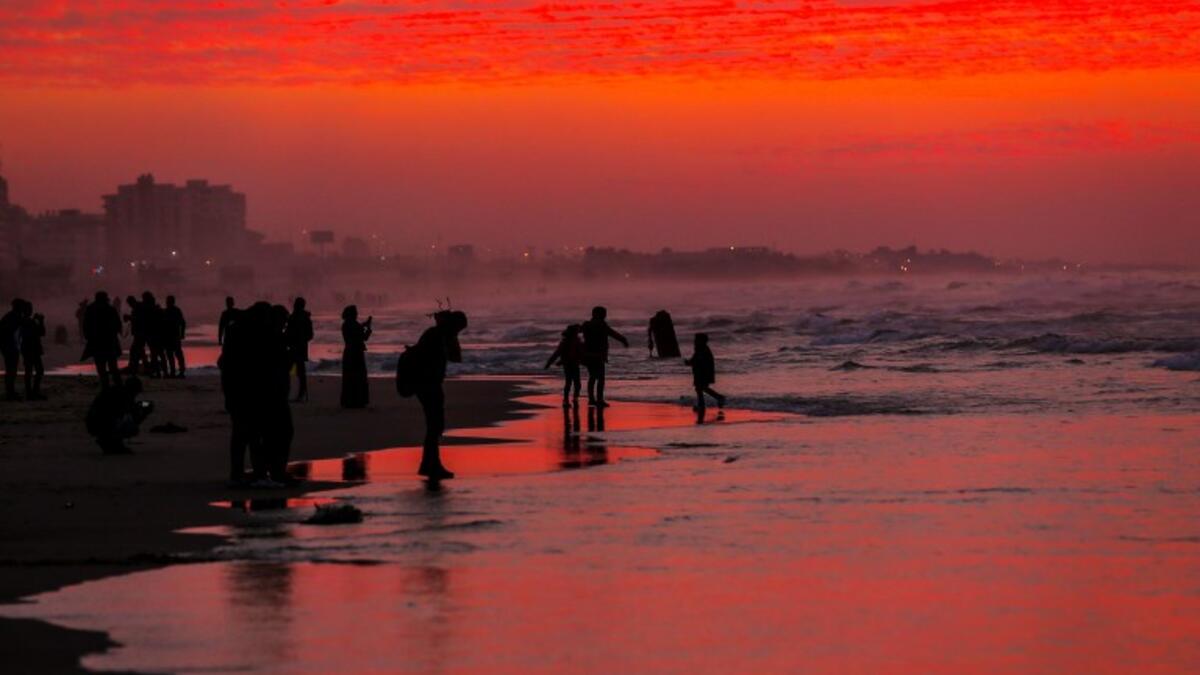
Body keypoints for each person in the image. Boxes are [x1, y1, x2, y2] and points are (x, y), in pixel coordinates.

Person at [412, 310, 468, 480]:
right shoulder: (439, 336)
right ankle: (431, 465)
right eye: (458, 329)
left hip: (427, 384)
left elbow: (455, 357)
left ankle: (429, 464)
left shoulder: (436, 334)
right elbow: (456, 356)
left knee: (434, 425)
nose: (458, 332)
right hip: (428, 384)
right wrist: (452, 337)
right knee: (435, 425)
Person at [85, 376, 151, 454]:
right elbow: (127, 411)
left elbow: (131, 407)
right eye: (137, 391)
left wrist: (140, 405)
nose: (136, 394)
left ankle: (111, 441)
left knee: (123, 419)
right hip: (102, 424)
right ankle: (111, 441)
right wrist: (144, 409)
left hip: (94, 423)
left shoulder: (117, 391)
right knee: (129, 423)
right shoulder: (124, 395)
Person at [580, 306, 628, 407]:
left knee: (592, 377)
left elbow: (575, 331)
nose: (605, 315)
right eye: (604, 313)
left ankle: (592, 399)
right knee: (600, 378)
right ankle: (600, 400)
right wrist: (623, 340)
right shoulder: (601, 325)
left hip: (587, 354)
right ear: (599, 314)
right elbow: (613, 334)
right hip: (598, 355)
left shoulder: (586, 325)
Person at [82, 291, 123, 389]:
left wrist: (88, 336)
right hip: (109, 342)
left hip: (97, 342)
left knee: (101, 367)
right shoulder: (110, 309)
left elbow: (86, 325)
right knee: (113, 367)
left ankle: (105, 387)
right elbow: (118, 324)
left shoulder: (90, 309)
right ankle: (118, 386)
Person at [685, 333, 726, 414]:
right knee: (700, 389)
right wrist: (690, 362)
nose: (694, 341)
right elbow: (696, 359)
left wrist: (689, 362)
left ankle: (718, 398)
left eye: (696, 340)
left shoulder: (702, 349)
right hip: (702, 372)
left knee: (701, 388)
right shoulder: (702, 348)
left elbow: (697, 359)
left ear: (701, 341)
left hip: (703, 372)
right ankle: (703, 404)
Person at [340, 305, 372, 408]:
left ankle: (349, 401)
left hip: (349, 353)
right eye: (355, 313)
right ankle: (358, 401)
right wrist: (368, 328)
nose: (357, 314)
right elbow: (364, 337)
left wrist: (364, 326)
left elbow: (357, 331)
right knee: (359, 377)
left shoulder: (346, 324)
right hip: (356, 354)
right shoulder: (354, 325)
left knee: (349, 378)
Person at [544, 323, 584, 407]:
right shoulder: (566, 342)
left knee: (576, 383)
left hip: (574, 364)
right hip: (569, 365)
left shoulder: (577, 341)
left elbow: (581, 353)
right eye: (577, 331)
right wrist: (549, 363)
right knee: (570, 382)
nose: (578, 332)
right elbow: (557, 353)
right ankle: (567, 399)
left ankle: (574, 398)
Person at [285, 297, 314, 402]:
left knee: (289, 370)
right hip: (299, 348)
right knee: (299, 372)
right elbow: (310, 335)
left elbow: (288, 333)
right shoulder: (304, 318)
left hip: (295, 348)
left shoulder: (294, 317)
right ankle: (300, 393)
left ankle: (295, 393)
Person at [19, 300, 46, 400]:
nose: (31, 310)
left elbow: (41, 333)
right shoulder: (26, 321)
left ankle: (31, 392)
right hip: (31, 349)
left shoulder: (26, 321)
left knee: (32, 371)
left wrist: (39, 321)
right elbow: (39, 333)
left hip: (29, 349)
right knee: (35, 370)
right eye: (29, 309)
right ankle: (32, 392)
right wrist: (39, 321)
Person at [0, 299, 23, 400]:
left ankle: (10, 391)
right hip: (9, 346)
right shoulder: (14, 317)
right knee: (11, 370)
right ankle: (10, 392)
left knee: (11, 370)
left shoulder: (10, 316)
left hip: (8, 346)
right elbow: (11, 331)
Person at [163, 295, 187, 377]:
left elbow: (183, 323)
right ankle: (175, 371)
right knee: (172, 354)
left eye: (168, 301)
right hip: (169, 336)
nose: (167, 303)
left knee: (176, 354)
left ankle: (180, 371)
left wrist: (182, 334)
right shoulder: (169, 311)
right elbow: (183, 323)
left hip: (173, 336)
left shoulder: (175, 311)